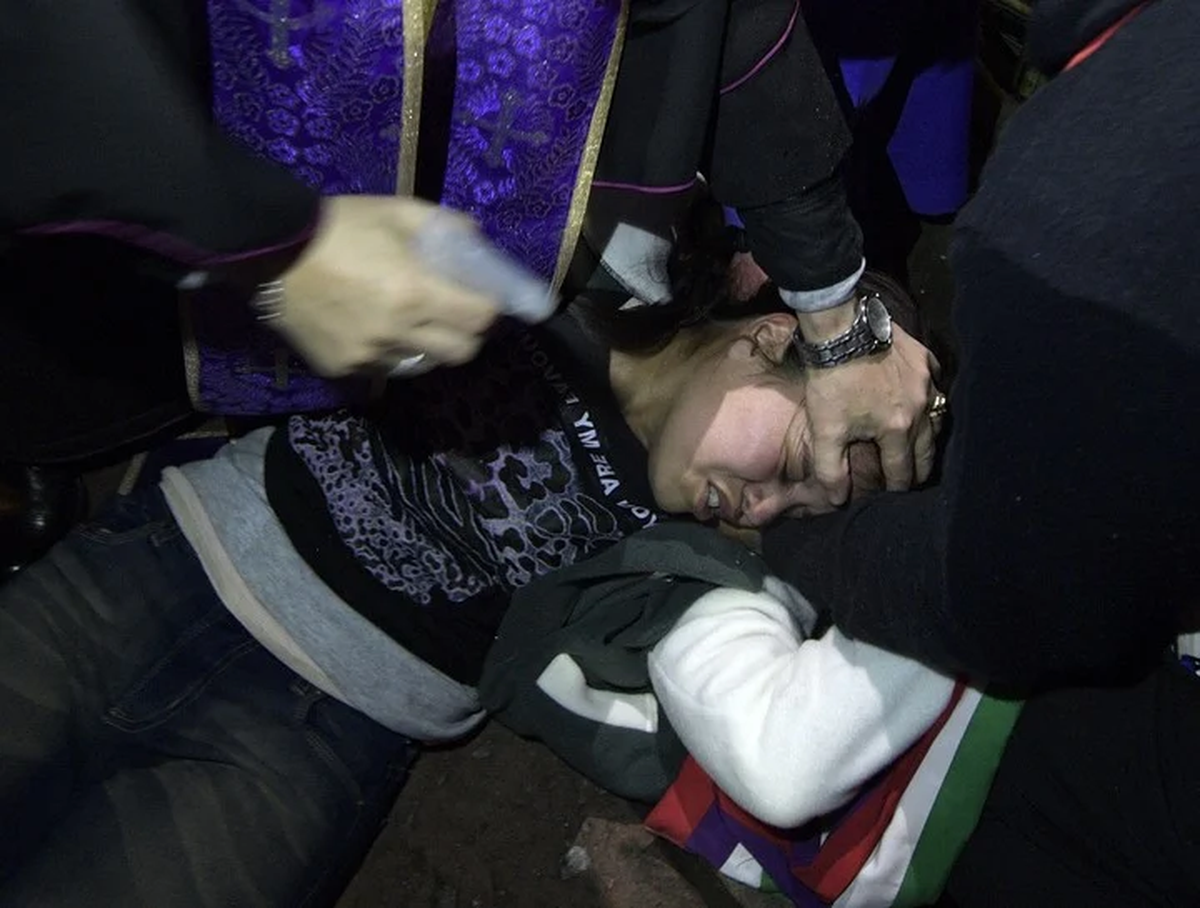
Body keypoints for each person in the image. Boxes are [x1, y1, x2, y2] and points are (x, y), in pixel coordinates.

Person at [0, 202, 865, 906]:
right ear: (770, 337)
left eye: (800, 508)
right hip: (160, 563)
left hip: (308, 740)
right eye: (789, 465)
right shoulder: (580, 265)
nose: (765, 506)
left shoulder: (697, 562)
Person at [758, 0, 1200, 689]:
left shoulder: (1065, 217)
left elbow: (1024, 607)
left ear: (763, 340)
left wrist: (800, 539)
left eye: (791, 464)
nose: (755, 498)